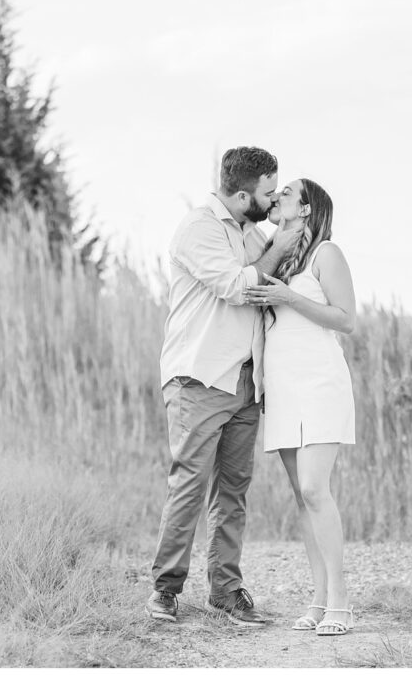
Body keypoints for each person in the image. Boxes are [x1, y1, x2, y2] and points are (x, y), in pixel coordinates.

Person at [146, 147, 303, 627]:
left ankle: (226, 592)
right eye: (267, 192)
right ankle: (164, 590)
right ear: (241, 194)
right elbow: (240, 286)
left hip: (244, 380)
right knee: (190, 485)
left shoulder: (250, 231)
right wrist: (279, 241)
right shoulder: (199, 228)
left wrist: (288, 227)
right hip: (199, 377)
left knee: (234, 490)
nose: (272, 198)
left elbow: (275, 271)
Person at [244, 178, 357, 637]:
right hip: (284, 385)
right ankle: (316, 598)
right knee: (301, 497)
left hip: (319, 380)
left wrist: (288, 296)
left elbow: (347, 320)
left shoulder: (325, 253)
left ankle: (341, 600)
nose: (276, 198)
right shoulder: (278, 253)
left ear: (307, 208)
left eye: (286, 193)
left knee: (314, 488)